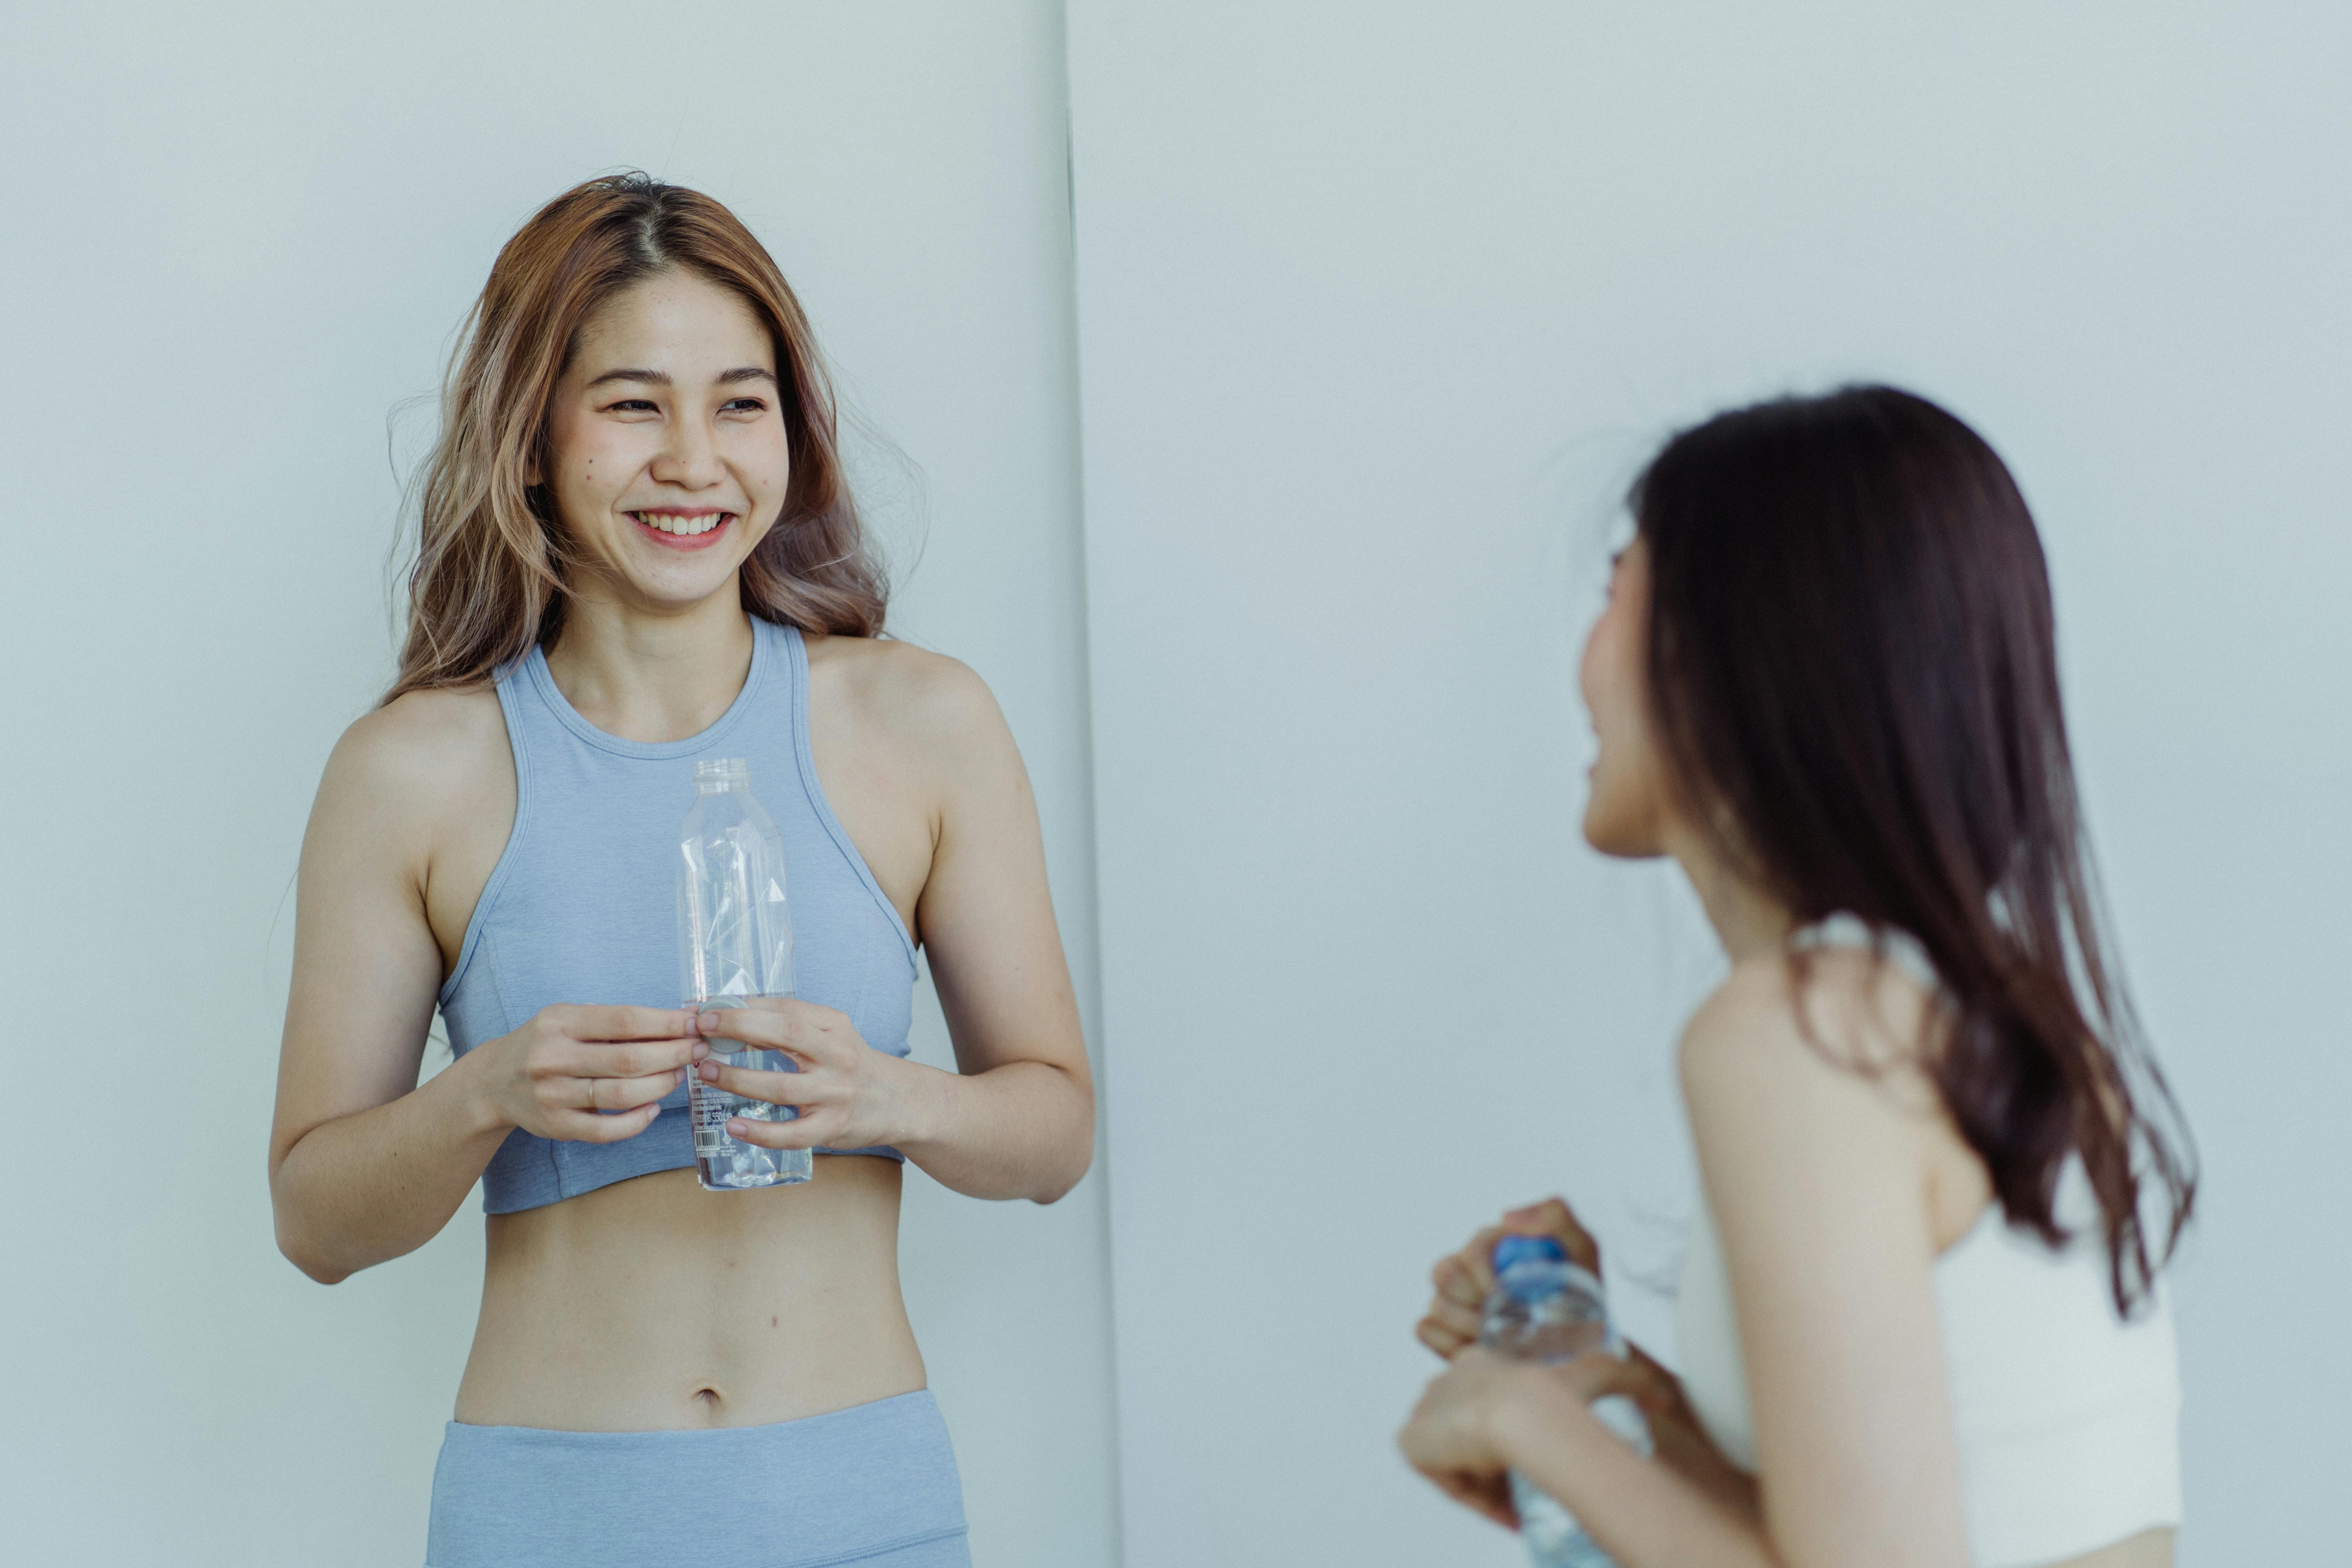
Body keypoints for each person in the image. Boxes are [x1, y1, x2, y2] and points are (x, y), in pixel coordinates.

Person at [267, 174, 1094, 1568]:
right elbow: (314, 1219)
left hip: (863, 1507)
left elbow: (1055, 1132)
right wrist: (487, 1094)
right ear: (533, 438)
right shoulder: (413, 771)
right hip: (549, 1513)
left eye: (741, 401)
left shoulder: (922, 723)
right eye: (635, 404)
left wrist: (881, 1096)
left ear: (792, 434)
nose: (694, 460)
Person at [1399, 386, 2195, 1568]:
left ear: (1735, 644)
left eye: (1616, 588)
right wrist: (1622, 1403)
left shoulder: (1794, 1034)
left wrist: (1522, 1423)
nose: (1578, 660)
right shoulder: (1962, 1007)